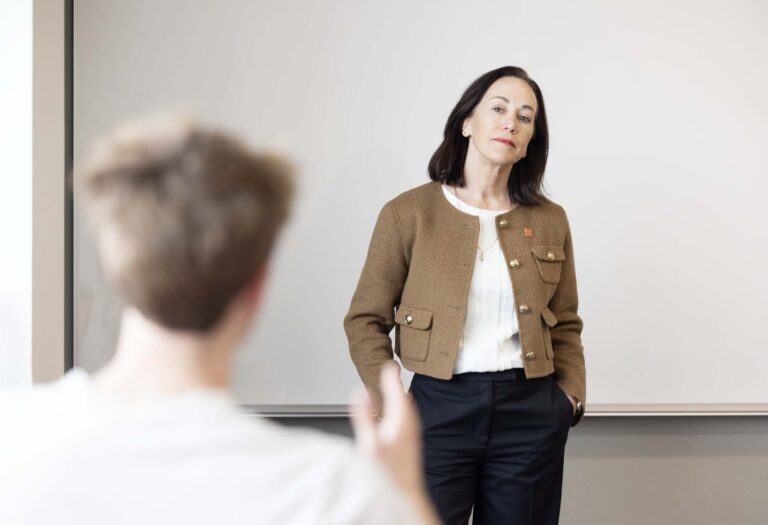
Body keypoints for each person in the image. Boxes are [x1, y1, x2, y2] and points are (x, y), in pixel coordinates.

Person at [0, 117, 440, 525]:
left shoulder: (14, 439)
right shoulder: (335, 490)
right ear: (258, 285)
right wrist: (404, 490)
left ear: (116, 265)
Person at [344, 66, 586, 525]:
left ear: (530, 141)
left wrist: (568, 398)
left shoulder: (550, 219)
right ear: (467, 122)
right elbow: (365, 321)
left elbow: (567, 323)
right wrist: (392, 402)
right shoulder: (408, 213)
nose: (511, 122)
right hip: (437, 409)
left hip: (531, 412)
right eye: (498, 108)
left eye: (525, 117)